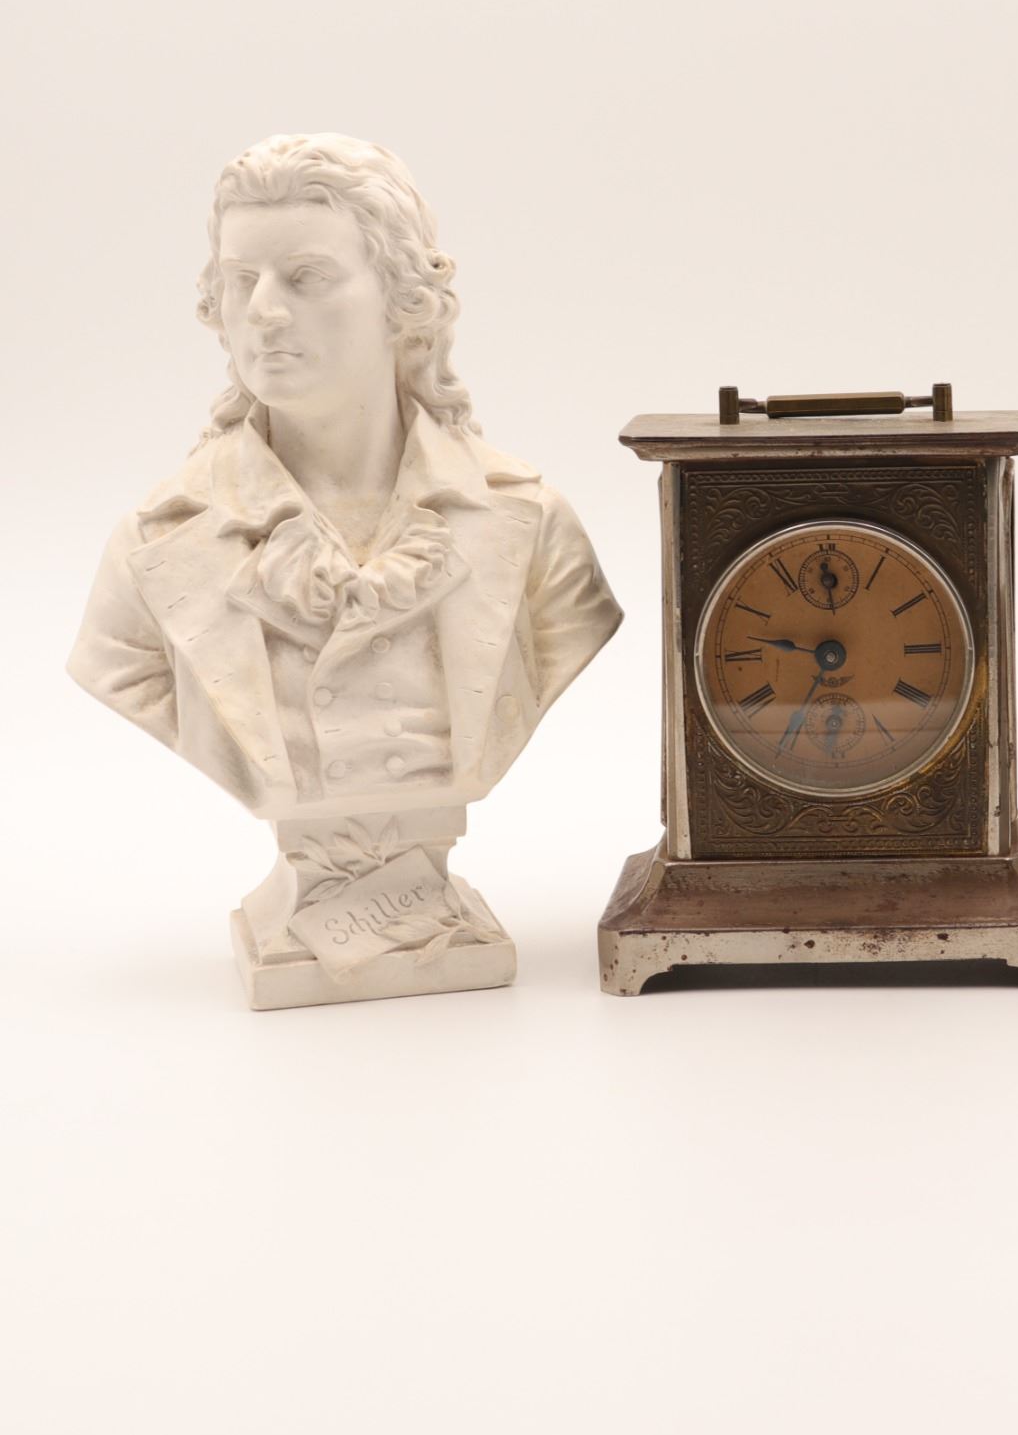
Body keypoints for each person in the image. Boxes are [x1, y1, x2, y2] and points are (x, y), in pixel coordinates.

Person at [69, 134, 621, 998]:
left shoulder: (532, 527)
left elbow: (565, 632)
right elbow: (122, 670)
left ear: (404, 299)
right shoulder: (154, 550)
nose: (264, 311)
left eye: (306, 276)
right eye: (240, 280)